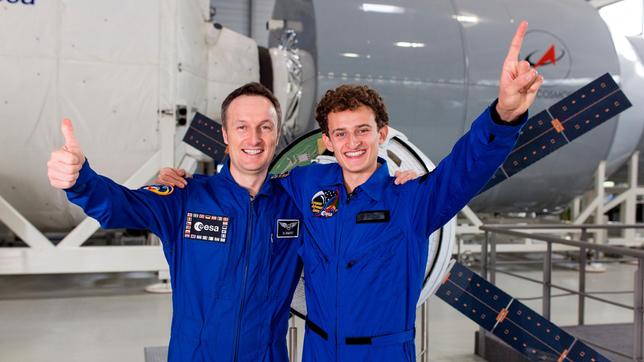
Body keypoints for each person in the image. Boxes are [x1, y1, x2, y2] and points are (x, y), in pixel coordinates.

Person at [159, 21, 542, 361]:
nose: (352, 143)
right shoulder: (304, 186)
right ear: (326, 141)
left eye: (363, 130)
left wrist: (503, 117)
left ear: (383, 134)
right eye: (340, 133)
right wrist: (188, 186)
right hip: (320, 350)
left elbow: (464, 169)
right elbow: (251, 179)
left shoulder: (411, 200)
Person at [47, 83, 304, 362]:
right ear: (225, 134)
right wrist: (81, 181)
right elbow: (120, 206)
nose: (253, 139)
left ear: (277, 134)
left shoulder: (296, 205)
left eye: (265, 127)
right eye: (241, 127)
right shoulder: (185, 197)